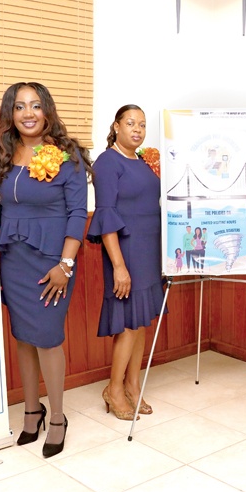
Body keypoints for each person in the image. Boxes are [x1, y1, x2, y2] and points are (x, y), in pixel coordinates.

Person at [0, 82, 89, 458]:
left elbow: (78, 213)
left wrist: (65, 264)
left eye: (35, 105)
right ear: (10, 114)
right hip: (13, 259)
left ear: (47, 110)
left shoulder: (69, 156)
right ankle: (32, 410)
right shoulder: (3, 153)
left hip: (52, 261)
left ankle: (59, 418)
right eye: (19, 107)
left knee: (47, 337)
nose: (28, 113)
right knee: (23, 336)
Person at [87, 105, 164, 420]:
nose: (137, 129)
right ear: (116, 126)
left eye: (142, 125)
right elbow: (105, 216)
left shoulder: (144, 161)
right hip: (126, 252)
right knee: (128, 325)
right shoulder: (107, 162)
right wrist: (118, 266)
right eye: (131, 123)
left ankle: (133, 385)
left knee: (141, 321)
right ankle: (113, 389)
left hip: (149, 250)